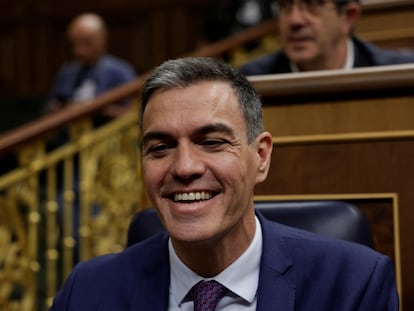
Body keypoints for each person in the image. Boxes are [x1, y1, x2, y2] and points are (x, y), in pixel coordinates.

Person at [49, 57, 399, 310]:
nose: (184, 167)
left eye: (212, 142)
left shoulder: (353, 283)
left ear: (260, 157)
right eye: (160, 148)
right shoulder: (88, 290)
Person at [240, 0, 414, 75]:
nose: (295, 20)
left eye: (312, 5)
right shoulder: (253, 81)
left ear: (348, 17)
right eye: (285, 5)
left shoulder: (401, 75)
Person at [46, 13, 136, 118]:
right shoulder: (66, 72)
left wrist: (97, 110)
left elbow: (134, 114)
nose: (79, 51)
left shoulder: (120, 71)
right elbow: (49, 111)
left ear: (103, 40)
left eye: (86, 43)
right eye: (74, 43)